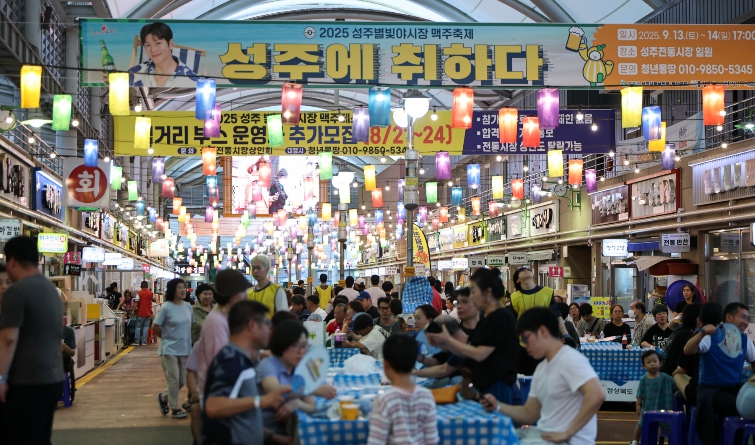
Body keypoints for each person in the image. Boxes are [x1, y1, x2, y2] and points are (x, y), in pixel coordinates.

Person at [480, 307, 606, 445]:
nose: (524, 345)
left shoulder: (569, 359)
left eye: (526, 338)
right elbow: (529, 413)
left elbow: (597, 394)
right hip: (545, 436)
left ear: (542, 332)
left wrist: (568, 433)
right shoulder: (542, 367)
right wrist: (497, 405)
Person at [0, 236, 64, 445]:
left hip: (27, 382)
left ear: (12, 261)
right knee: (40, 438)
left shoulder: (18, 290)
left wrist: (1, 378)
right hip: (52, 378)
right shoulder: (51, 290)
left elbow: (8, 339)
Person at [427, 268, 521, 405]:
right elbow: (470, 347)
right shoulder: (487, 318)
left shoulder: (501, 317)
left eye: (474, 291)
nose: (471, 296)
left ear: (487, 292)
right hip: (486, 387)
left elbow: (479, 354)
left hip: (498, 387)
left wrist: (448, 339)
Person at [202, 301, 289, 445]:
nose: (270, 329)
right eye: (267, 323)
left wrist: (274, 437)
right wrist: (261, 400)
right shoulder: (233, 362)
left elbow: (241, 414)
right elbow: (213, 406)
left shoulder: (239, 358)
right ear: (252, 325)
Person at [684, 302, 755, 445]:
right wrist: (702, 333)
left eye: (748, 319)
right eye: (743, 317)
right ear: (729, 317)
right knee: (743, 406)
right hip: (710, 391)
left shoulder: (744, 339)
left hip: (732, 389)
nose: (746, 322)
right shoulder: (711, 336)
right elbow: (687, 350)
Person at [257, 320, 336, 441]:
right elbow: (275, 390)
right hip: (261, 433)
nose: (301, 351)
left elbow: (312, 406)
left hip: (286, 431)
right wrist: (313, 389)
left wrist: (297, 404)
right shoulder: (268, 364)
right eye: (295, 345)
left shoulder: (300, 369)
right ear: (282, 345)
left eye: (304, 346)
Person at [367, 335, 439, 445]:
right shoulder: (427, 396)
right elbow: (432, 441)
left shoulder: (385, 400)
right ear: (414, 362)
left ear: (386, 364)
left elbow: (376, 442)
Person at [154, 278, 194, 419]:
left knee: (182, 380)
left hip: (184, 349)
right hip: (169, 349)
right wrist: (166, 338)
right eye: (179, 287)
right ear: (172, 290)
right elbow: (155, 326)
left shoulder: (188, 307)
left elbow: (189, 326)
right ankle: (175, 408)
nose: (183, 290)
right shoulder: (166, 307)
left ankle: (164, 397)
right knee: (174, 379)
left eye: (184, 287)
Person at [128, 22, 199, 87]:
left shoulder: (193, 81)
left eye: (158, 43)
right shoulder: (133, 74)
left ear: (171, 44)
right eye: (148, 45)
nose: (153, 50)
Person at [630, 350, 676, 445]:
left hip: (664, 408)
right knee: (641, 424)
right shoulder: (644, 379)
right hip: (648, 408)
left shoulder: (666, 378)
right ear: (644, 366)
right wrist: (638, 404)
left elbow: (675, 384)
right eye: (649, 362)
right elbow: (640, 393)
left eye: (655, 361)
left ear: (660, 363)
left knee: (668, 425)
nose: (652, 364)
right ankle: (635, 441)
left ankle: (674, 441)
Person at [509, 266, 569, 338]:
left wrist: (566, 335)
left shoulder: (547, 292)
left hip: (545, 338)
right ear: (517, 280)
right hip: (523, 340)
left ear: (533, 277)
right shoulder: (514, 297)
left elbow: (556, 315)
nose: (526, 270)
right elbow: (512, 321)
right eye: (522, 270)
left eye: (528, 269)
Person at [661, 303, 701, 376]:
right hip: (674, 377)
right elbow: (684, 368)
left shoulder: (681, 331)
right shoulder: (687, 335)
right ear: (698, 319)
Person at [134, 280, 155, 346]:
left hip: (140, 313)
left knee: (138, 327)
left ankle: (137, 342)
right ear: (147, 286)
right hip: (148, 313)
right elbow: (153, 300)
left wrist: (133, 310)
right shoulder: (151, 293)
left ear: (141, 286)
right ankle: (144, 342)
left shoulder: (138, 293)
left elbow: (136, 302)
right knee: (146, 327)